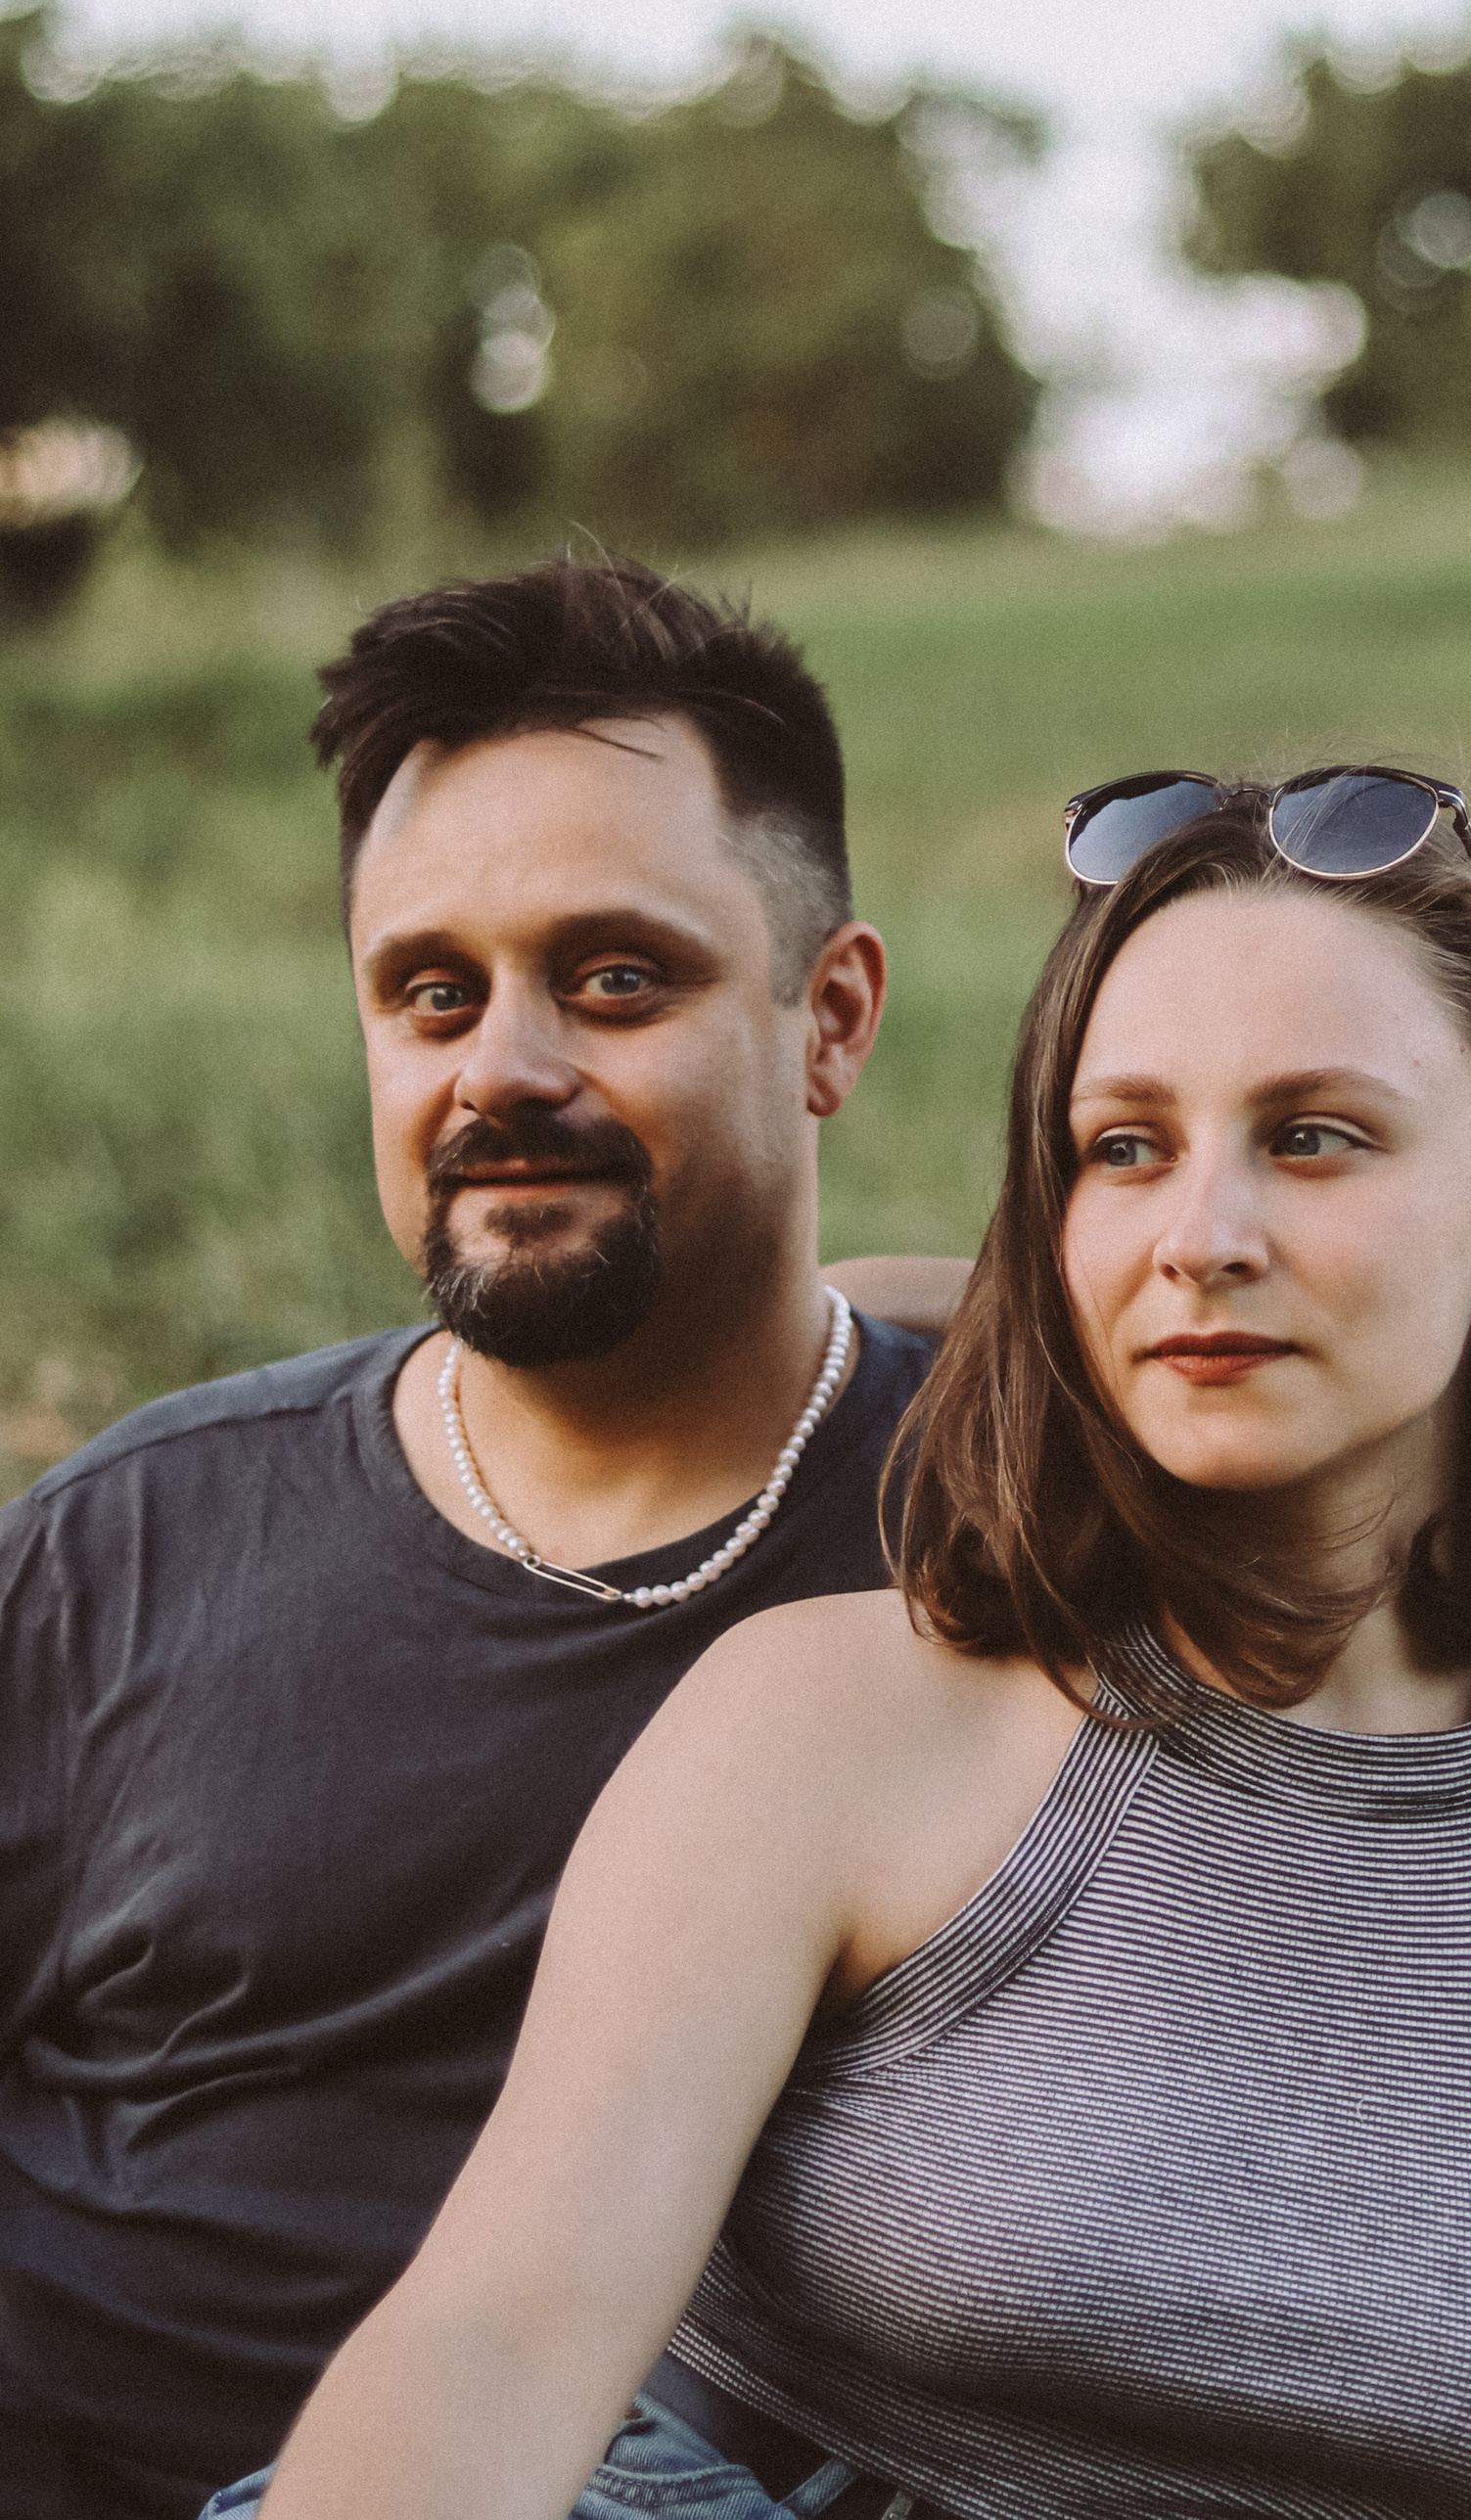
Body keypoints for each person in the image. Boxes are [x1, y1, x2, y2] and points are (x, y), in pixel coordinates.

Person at [236, 762, 1471, 2520]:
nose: (1204, 1238)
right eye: (1125, 1148)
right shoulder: (830, 1718)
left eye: (1315, 1134)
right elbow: (496, 2338)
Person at [0, 555, 956, 2520]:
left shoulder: (1011, 1530)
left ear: (829, 1016)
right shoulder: (130, 1544)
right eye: (429, 990)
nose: (499, 1067)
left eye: (614, 977)